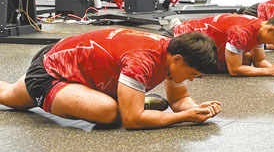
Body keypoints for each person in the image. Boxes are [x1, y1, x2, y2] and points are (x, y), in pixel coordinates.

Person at [0, 28, 220, 129]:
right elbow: (132, 121)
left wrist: (196, 110)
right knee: (108, 112)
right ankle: (131, 102)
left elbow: (179, 99)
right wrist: (182, 117)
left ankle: (131, 100)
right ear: (178, 60)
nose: (192, 80)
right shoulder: (141, 61)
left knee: (7, 95)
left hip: (69, 61)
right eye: (192, 74)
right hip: (51, 72)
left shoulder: (173, 53)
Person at [172, 13, 274, 77]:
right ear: (271, 30)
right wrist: (268, 71)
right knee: (197, 70)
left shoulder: (260, 29)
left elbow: (259, 61)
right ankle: (176, 26)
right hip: (186, 36)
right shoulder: (241, 32)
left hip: (208, 45)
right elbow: (235, 70)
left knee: (246, 60)